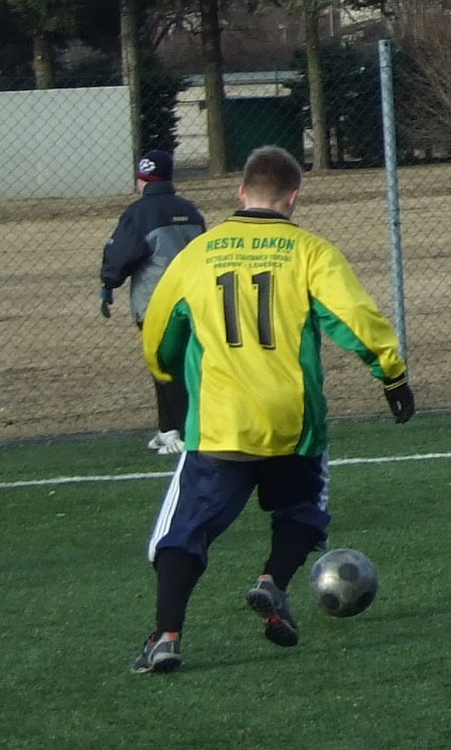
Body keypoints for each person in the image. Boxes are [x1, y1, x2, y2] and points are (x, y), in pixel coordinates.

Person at [132, 144, 413, 675]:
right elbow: (356, 320)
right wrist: (392, 376)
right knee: (304, 510)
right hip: (290, 420)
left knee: (183, 531)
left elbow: (160, 333)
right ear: (293, 198)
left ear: (241, 192)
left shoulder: (198, 254)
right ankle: (271, 581)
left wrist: (169, 372)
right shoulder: (310, 253)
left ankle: (166, 636)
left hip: (220, 422)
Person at [101, 148, 206, 454]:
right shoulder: (190, 210)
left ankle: (183, 433)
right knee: (180, 362)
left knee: (164, 366)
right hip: (193, 301)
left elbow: (121, 255)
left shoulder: (138, 213)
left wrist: (108, 283)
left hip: (155, 304)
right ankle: (166, 429)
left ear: (142, 179)